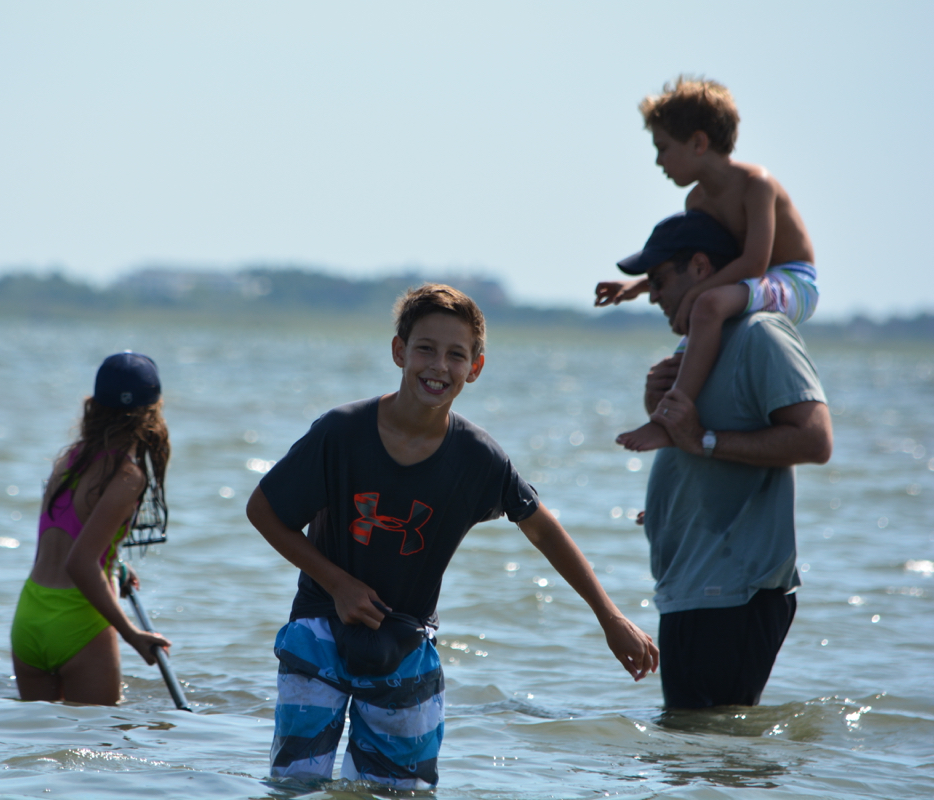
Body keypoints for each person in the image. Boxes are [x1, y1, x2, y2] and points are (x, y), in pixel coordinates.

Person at [246, 284, 658, 789]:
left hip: (405, 640)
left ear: (475, 368)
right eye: (425, 349)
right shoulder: (340, 433)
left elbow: (543, 529)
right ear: (399, 351)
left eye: (455, 355)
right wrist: (337, 585)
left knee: (399, 792)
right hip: (319, 628)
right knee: (295, 785)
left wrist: (610, 617)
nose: (438, 366)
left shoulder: (479, 458)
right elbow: (263, 509)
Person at [615, 212, 833, 709]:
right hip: (693, 588)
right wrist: (662, 418)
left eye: (661, 279)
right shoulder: (696, 346)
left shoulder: (761, 334)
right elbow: (698, 448)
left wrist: (704, 440)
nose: (652, 295)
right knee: (696, 759)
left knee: (713, 758)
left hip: (733, 593)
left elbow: (815, 441)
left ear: (699, 266)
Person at [595, 77, 820, 452]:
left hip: (792, 281)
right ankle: (668, 412)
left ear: (698, 143)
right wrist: (636, 288)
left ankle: (671, 418)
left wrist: (697, 296)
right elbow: (707, 266)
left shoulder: (756, 184)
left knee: (708, 307)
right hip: (747, 282)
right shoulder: (697, 201)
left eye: (663, 148)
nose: (658, 161)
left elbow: (753, 262)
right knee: (695, 330)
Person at [10, 352, 172, 705]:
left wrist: (115, 568)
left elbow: (66, 540)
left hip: (30, 616)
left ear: (95, 406)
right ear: (151, 414)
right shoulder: (127, 476)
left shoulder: (69, 458)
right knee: (99, 750)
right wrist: (132, 634)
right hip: (78, 623)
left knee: (37, 750)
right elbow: (80, 563)